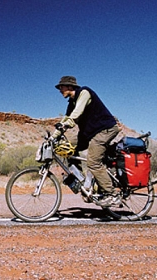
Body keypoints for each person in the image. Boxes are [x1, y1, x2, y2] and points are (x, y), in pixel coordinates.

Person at [52, 76, 121, 207]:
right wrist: (53, 137)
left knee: (93, 162)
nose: (60, 90)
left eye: (62, 87)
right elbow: (65, 119)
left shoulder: (84, 92)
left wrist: (67, 124)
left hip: (105, 129)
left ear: (70, 86)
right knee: (65, 147)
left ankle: (112, 195)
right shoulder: (71, 103)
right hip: (89, 133)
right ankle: (82, 181)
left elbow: (76, 113)